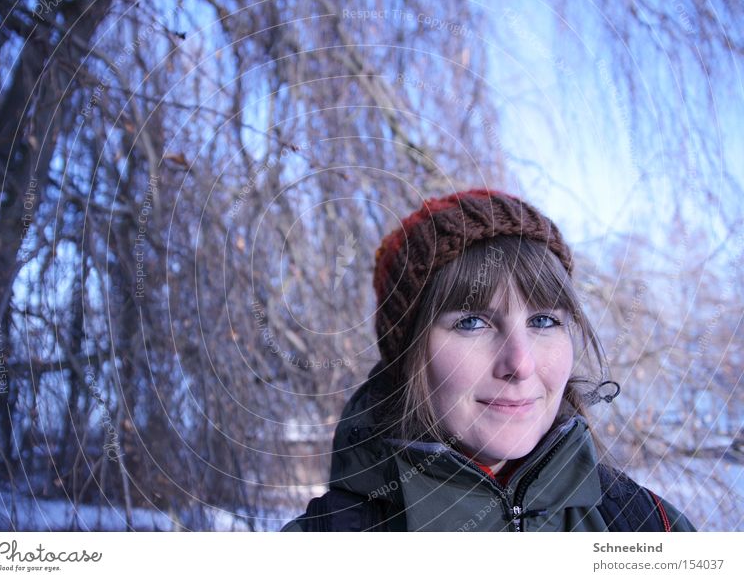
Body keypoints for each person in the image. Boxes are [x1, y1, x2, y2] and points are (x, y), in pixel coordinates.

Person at [281, 189, 696, 532]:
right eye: (472, 322)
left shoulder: (643, 525)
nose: (521, 363)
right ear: (409, 356)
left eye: (545, 320)